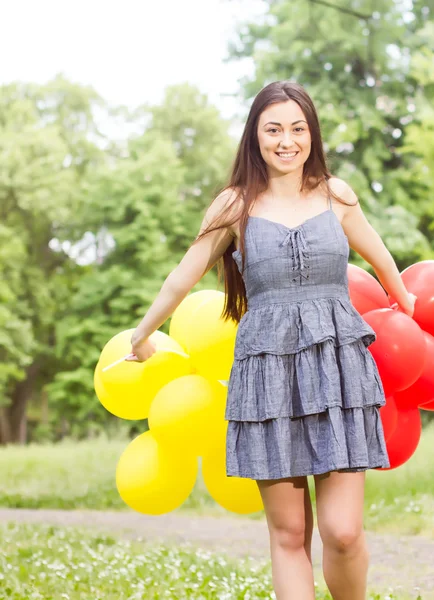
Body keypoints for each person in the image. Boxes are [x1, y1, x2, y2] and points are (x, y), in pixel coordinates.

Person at [127, 80, 416, 600]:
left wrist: (408, 306)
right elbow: (182, 276)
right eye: (274, 129)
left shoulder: (337, 194)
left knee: (343, 532)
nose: (288, 140)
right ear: (255, 137)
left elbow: (381, 256)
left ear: (313, 134)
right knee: (288, 534)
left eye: (298, 128)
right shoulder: (234, 205)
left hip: (338, 372)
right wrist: (143, 333)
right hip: (268, 377)